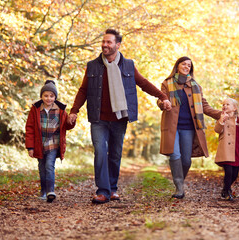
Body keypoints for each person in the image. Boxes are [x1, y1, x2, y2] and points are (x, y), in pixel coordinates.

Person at [67, 29, 171, 204]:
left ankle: (113, 189)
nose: (105, 45)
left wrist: (162, 96)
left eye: (109, 42)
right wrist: (74, 110)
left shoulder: (128, 65)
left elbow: (144, 83)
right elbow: (84, 90)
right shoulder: (93, 65)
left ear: (117, 45)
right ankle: (102, 191)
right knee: (100, 152)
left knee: (114, 154)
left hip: (119, 118)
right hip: (98, 118)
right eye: (104, 42)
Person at [157, 56, 221, 199]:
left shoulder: (195, 86)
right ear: (177, 66)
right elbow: (161, 99)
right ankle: (179, 187)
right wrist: (163, 103)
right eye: (184, 64)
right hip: (172, 127)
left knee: (186, 160)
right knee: (175, 156)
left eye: (189, 65)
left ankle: (180, 180)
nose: (186, 67)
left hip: (189, 128)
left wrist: (220, 114)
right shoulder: (167, 83)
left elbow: (204, 106)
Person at [25, 80, 75, 203]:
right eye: (46, 96)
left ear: (55, 97)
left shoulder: (60, 109)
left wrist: (71, 121)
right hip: (39, 144)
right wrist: (30, 147)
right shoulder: (36, 109)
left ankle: (50, 191)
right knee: (42, 168)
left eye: (51, 96)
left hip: (53, 143)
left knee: (49, 166)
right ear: (41, 96)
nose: (48, 99)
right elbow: (30, 128)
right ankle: (43, 191)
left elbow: (66, 126)